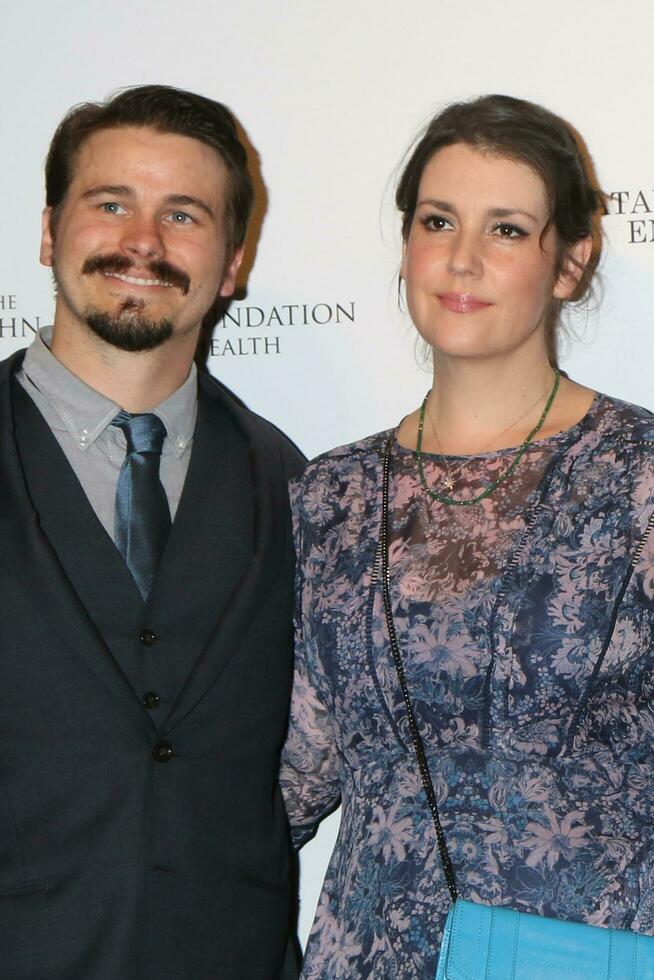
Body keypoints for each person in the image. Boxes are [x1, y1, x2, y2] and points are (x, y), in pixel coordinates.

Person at [281, 94, 654, 978]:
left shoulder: (640, 473)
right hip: (367, 957)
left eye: (509, 230)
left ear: (570, 262)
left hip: (591, 957)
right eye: (438, 220)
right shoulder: (332, 490)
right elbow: (295, 770)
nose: (462, 259)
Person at [0, 84, 302, 979]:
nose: (143, 242)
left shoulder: (298, 486)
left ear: (234, 261)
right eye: (111, 204)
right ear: (51, 231)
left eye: (183, 214)